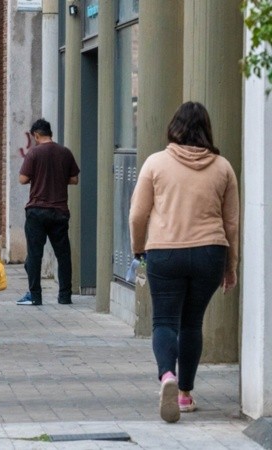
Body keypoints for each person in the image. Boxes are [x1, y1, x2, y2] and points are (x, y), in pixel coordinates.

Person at [129, 101, 239, 424]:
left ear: (173, 128)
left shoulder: (155, 163)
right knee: (192, 323)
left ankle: (167, 376)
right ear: (206, 129)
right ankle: (186, 394)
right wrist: (230, 266)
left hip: (165, 251)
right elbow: (232, 223)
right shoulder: (223, 168)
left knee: (164, 322)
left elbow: (137, 213)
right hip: (210, 252)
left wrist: (139, 249)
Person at [16, 119, 80, 306]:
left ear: (36, 135)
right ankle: (65, 296)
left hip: (37, 211)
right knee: (63, 254)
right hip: (59, 211)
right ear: (49, 133)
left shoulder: (34, 153)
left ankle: (35, 295)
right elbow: (74, 179)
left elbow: (22, 179)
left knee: (35, 254)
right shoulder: (65, 152)